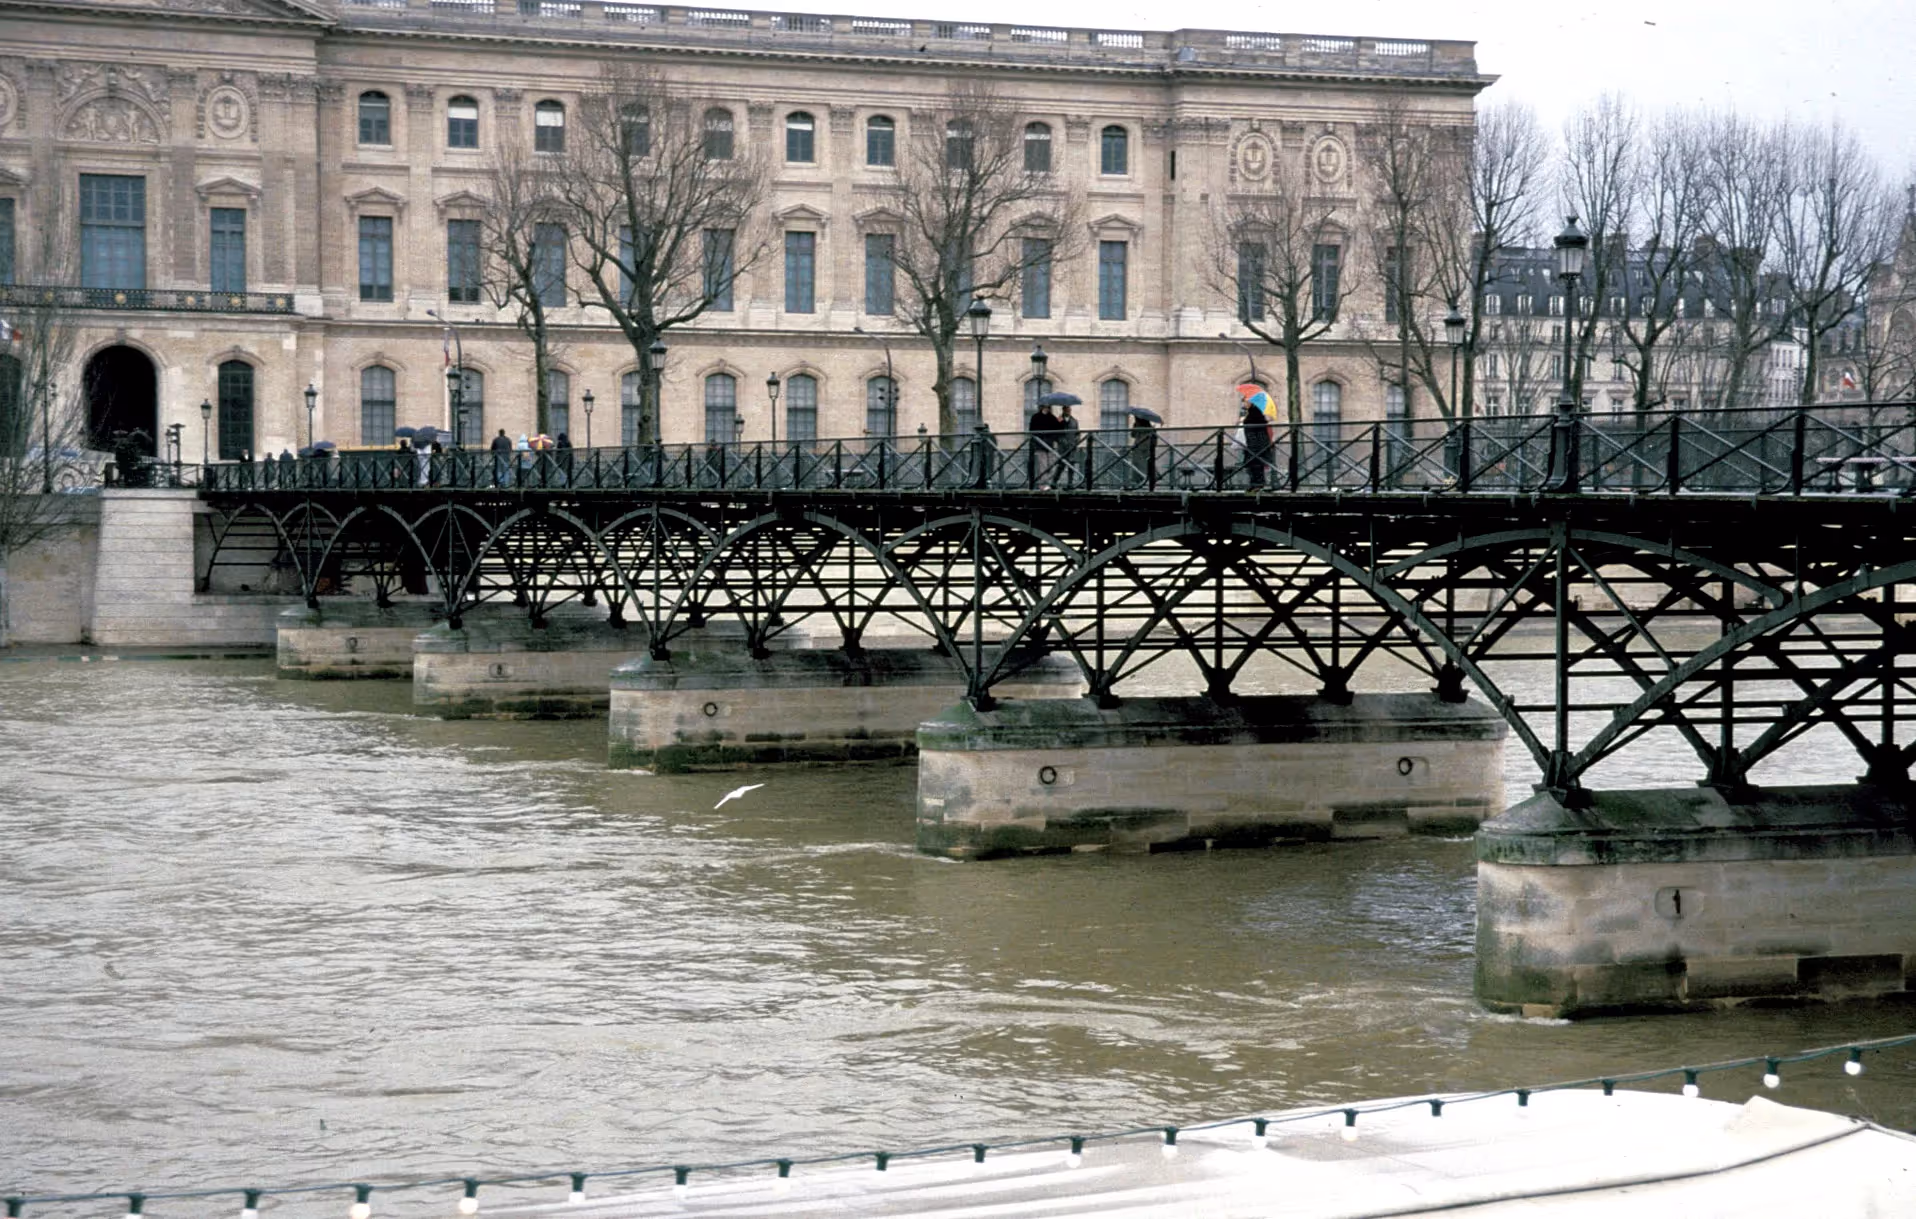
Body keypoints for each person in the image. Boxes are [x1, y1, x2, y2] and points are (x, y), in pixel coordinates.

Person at [1027, 401, 1063, 488]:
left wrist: (1060, 422)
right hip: (1040, 444)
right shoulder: (1035, 417)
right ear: (1042, 407)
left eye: (1048, 406)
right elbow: (1032, 430)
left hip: (1050, 445)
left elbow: (1058, 430)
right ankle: (1043, 485)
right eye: (1046, 406)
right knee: (1043, 465)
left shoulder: (1052, 417)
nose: (1047, 408)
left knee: (1052, 465)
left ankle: (1048, 483)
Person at [1241, 398, 1273, 488]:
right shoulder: (1253, 412)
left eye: (1246, 401)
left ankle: (1257, 485)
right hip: (1256, 442)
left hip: (1255, 443)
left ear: (1252, 403)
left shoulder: (1254, 413)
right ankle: (1257, 484)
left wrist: (1244, 420)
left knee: (1256, 464)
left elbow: (1252, 426)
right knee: (1256, 465)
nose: (1244, 403)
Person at [1056, 403, 1081, 489]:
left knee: (1071, 465)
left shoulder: (1074, 421)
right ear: (1063, 410)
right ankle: (1054, 482)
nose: (1068, 411)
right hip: (1062, 447)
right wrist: (1062, 441)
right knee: (1061, 465)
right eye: (1067, 410)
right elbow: (1055, 434)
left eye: (1069, 410)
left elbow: (1078, 433)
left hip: (1072, 447)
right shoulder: (1058, 420)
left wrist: (1076, 441)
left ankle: (1070, 484)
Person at [1130, 414, 1157, 489]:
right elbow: (1133, 435)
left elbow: (1153, 440)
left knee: (1143, 466)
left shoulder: (1148, 429)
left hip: (1143, 449)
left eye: (1136, 419)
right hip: (1139, 449)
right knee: (1138, 466)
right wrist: (1134, 427)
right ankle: (1139, 482)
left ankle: (1146, 482)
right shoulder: (1139, 427)